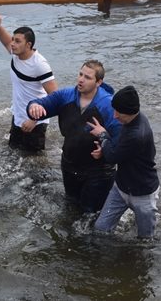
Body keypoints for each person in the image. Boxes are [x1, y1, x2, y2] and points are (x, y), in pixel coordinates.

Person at [27, 60, 121, 213]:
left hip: (98, 171)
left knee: (90, 215)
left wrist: (106, 150)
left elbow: (121, 139)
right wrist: (34, 106)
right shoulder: (66, 96)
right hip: (70, 165)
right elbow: (40, 103)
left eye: (87, 77)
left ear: (98, 82)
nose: (81, 79)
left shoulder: (108, 105)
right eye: (80, 74)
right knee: (71, 208)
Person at [88, 86, 160, 238]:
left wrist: (102, 135)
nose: (114, 116)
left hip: (143, 193)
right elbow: (118, 150)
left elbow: (113, 157)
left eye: (118, 113)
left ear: (131, 112)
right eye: (114, 110)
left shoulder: (137, 134)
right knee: (101, 229)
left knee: (145, 240)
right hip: (120, 188)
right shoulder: (132, 121)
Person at [0, 13, 58, 152]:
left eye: (17, 41)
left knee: (34, 163)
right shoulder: (16, 54)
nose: (12, 44)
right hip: (19, 116)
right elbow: (5, 41)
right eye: (13, 40)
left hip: (35, 122)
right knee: (13, 154)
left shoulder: (39, 65)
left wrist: (34, 120)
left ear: (28, 45)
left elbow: (56, 97)